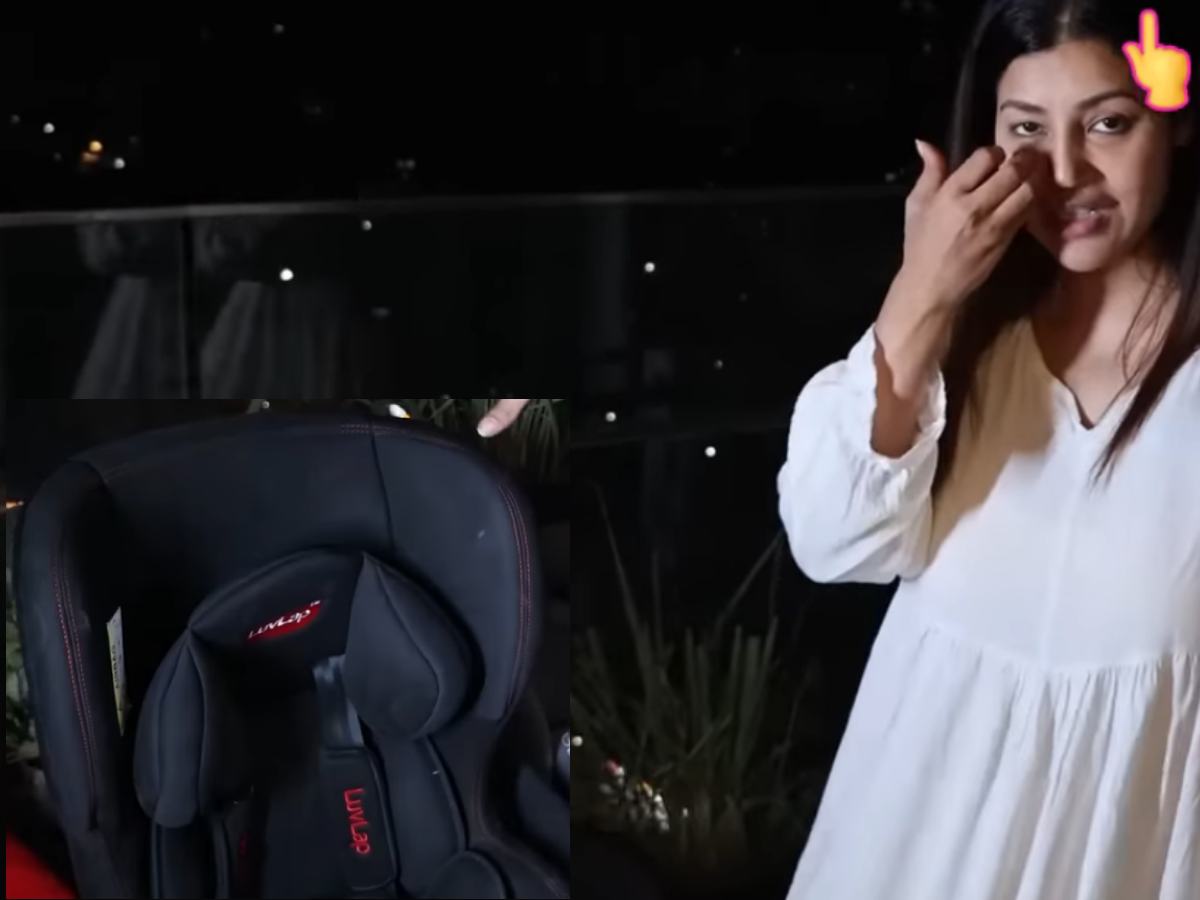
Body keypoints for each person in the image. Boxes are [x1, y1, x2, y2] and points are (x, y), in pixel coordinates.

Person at [776, 1, 1198, 898]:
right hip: (905, 849)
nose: (1065, 173)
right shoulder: (965, 343)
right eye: (1027, 131)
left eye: (1108, 124)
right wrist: (921, 292)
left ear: (1177, 121)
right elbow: (831, 542)